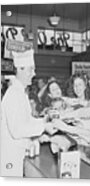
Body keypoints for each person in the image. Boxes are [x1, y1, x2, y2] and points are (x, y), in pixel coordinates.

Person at [0, 49, 57, 177]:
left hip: (16, 154)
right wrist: (43, 127)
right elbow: (17, 130)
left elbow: (27, 120)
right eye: (30, 69)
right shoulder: (14, 94)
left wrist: (44, 120)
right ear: (20, 69)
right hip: (10, 156)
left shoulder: (20, 93)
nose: (34, 73)